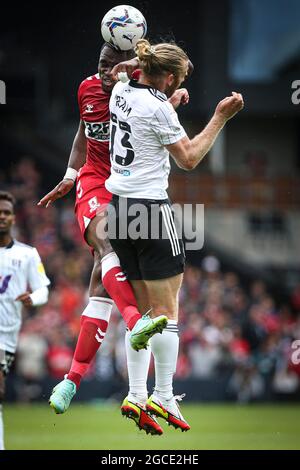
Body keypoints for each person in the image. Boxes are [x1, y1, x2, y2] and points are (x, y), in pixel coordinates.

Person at [106, 38, 244, 431]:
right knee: (167, 314)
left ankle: (135, 392)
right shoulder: (158, 108)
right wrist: (220, 117)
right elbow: (188, 158)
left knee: (140, 315)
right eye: (177, 78)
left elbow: (137, 103)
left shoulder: (120, 89)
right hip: (151, 211)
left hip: (119, 211)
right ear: (169, 78)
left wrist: (167, 102)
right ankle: (164, 395)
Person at [38, 43, 169, 435]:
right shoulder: (87, 89)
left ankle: (72, 381)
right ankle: (136, 321)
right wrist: (68, 174)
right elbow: (83, 132)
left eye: (116, 64)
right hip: (95, 180)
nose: (107, 70)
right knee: (105, 241)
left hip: (130, 188)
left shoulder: (143, 95)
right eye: (101, 63)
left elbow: (184, 68)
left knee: (101, 281)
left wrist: (169, 90)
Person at [0, 191, 50, 450]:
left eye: (6, 212)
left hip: (6, 335)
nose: (2, 216)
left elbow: (43, 288)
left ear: (13, 217)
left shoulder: (27, 254)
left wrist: (34, 298)